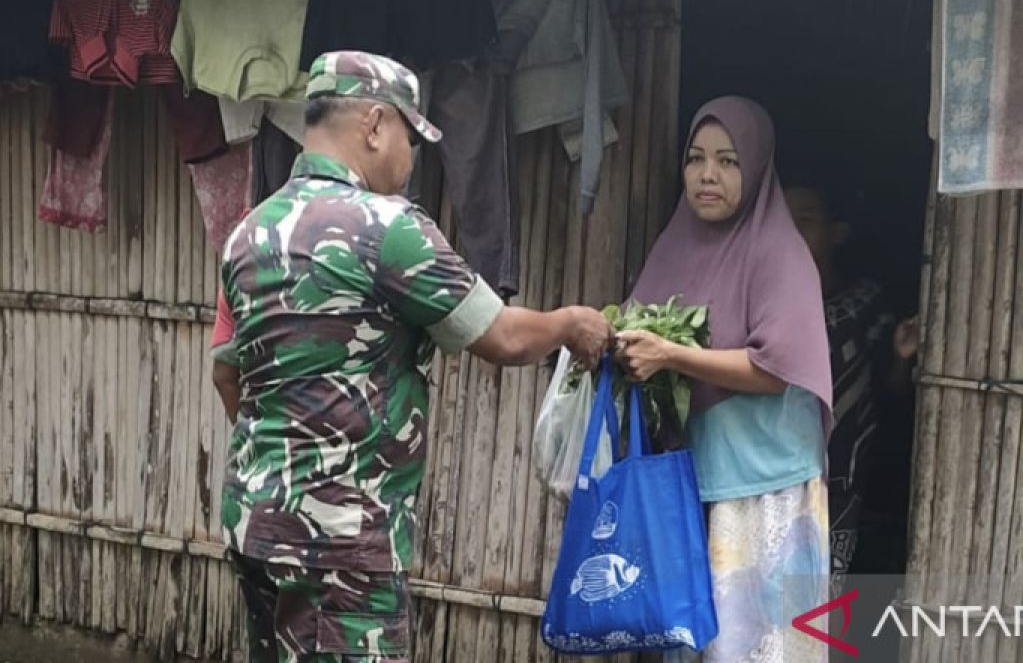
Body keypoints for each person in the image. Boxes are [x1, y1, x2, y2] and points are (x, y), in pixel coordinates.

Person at [214, 50, 612, 663]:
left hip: (254, 524)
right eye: (409, 135)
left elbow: (228, 372)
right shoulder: (386, 226)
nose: (410, 158)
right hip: (341, 542)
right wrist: (570, 324)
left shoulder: (251, 231)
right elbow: (501, 336)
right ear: (375, 124)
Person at [617, 96, 833, 663]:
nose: (708, 174)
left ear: (757, 168)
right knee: (694, 647)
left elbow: (770, 370)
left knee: (760, 650)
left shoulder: (780, 254)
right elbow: (640, 333)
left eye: (729, 161)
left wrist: (671, 354)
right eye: (696, 158)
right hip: (694, 486)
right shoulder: (674, 246)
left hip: (767, 490)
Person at [784, 180, 918, 594]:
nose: (792, 232)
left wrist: (900, 358)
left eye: (805, 221)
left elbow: (889, 394)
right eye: (783, 221)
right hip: (772, 475)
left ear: (837, 231)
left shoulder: (864, 303)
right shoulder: (765, 303)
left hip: (847, 484)